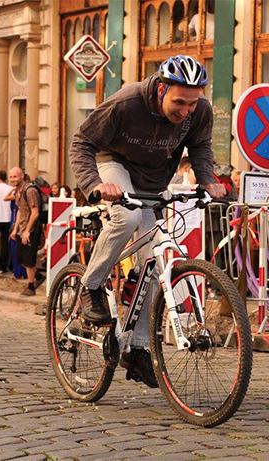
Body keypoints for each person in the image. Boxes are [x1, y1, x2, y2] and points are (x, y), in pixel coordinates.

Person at [69, 55, 225, 387]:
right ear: (161, 90)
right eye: (179, 102)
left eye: (192, 103)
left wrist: (208, 179)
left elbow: (200, 146)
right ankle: (91, 286)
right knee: (126, 217)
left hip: (153, 181)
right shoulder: (127, 103)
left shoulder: (199, 111)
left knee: (154, 264)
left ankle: (137, 348)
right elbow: (82, 143)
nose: (186, 111)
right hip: (114, 164)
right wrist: (95, 184)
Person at [9, 167, 42, 296]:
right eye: (11, 177)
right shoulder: (18, 191)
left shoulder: (30, 190)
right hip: (21, 229)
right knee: (20, 259)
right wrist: (15, 229)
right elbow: (20, 211)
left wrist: (28, 231)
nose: (13, 179)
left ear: (22, 176)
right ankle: (38, 276)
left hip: (31, 229)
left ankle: (31, 287)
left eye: (15, 176)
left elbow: (35, 212)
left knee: (28, 260)